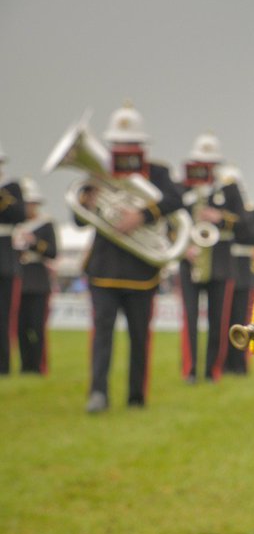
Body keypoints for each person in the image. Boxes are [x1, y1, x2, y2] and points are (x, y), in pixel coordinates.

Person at [81, 102, 184, 413]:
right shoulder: (98, 173)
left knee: (140, 339)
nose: (124, 148)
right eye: (119, 144)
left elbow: (176, 199)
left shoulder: (159, 172)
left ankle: (136, 397)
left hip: (142, 270)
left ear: (141, 146)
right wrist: (90, 198)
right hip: (103, 268)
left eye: (130, 144)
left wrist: (141, 215)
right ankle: (98, 393)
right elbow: (78, 219)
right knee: (102, 338)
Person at [178, 133, 246, 383]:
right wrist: (184, 248)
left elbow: (244, 223)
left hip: (220, 263)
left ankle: (212, 370)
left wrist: (220, 218)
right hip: (190, 261)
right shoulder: (183, 187)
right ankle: (190, 370)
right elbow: (172, 222)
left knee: (219, 321)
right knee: (190, 319)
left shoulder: (228, 188)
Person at [13, 178, 57, 375]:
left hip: (38, 281)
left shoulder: (45, 225)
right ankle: (25, 366)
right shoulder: (14, 226)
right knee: (20, 327)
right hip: (19, 279)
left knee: (37, 327)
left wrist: (33, 242)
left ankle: (40, 366)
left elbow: (52, 252)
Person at [220, 165, 254, 376]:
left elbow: (253, 236)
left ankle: (240, 364)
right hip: (225, 265)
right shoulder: (221, 212)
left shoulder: (250, 210)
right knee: (223, 319)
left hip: (244, 270)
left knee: (242, 318)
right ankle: (223, 363)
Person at [0, 141, 27, 375]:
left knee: (3, 315)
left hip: (4, 253)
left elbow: (19, 214)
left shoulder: (11, 187)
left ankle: (3, 365)